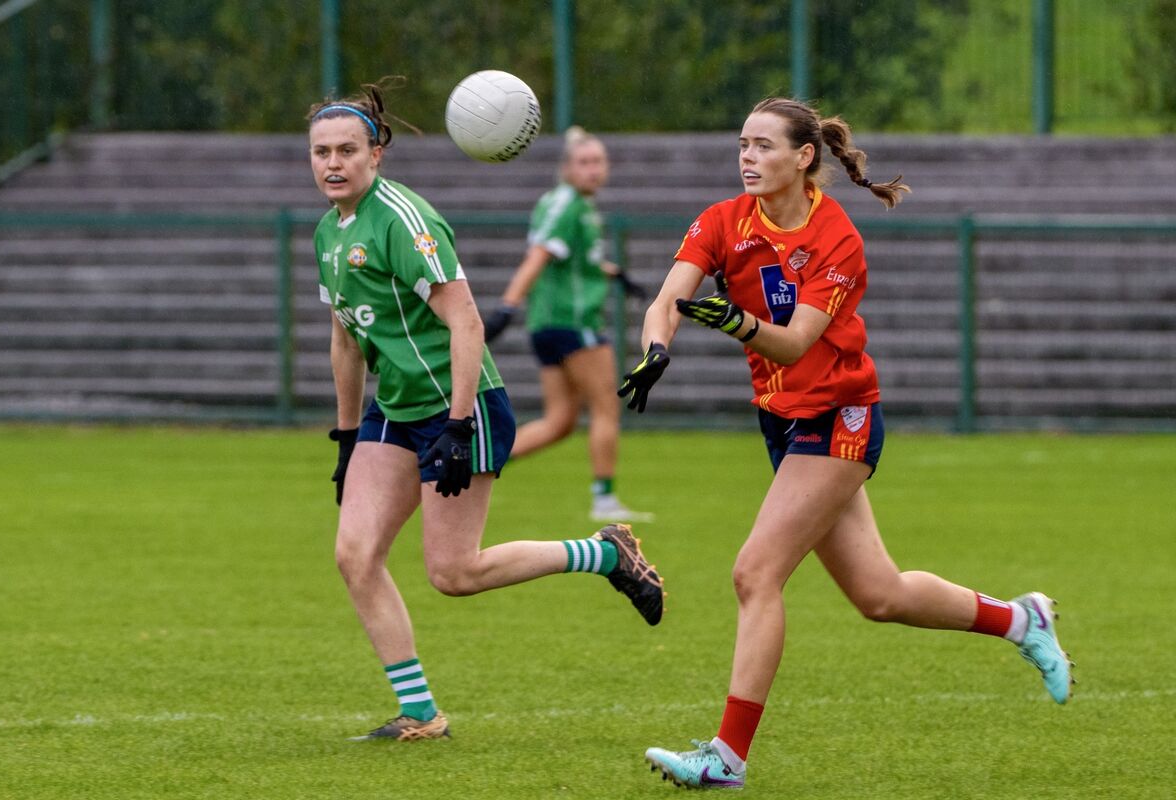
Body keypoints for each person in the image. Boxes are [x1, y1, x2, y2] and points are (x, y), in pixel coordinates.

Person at [617, 97, 1074, 789]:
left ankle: (727, 758)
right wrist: (656, 349)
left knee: (755, 573)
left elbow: (797, 343)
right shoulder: (721, 221)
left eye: (763, 145)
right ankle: (1020, 619)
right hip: (783, 422)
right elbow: (666, 299)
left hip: (839, 418)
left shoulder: (837, 240)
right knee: (879, 594)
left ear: (804, 158)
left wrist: (738, 325)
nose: (746, 157)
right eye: (742, 143)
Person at [308, 80, 666, 742]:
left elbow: (466, 321)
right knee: (355, 555)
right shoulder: (329, 234)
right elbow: (345, 339)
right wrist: (347, 434)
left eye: (347, 151)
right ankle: (421, 715)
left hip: (459, 404)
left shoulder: (405, 222)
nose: (333, 163)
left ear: (375, 155)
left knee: (454, 573)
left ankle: (604, 554)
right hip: (396, 408)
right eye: (322, 152)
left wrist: (458, 422)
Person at [483, 126, 652, 523]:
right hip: (573, 323)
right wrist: (507, 307)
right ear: (566, 169)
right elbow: (539, 256)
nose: (593, 170)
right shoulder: (568, 204)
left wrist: (615, 275)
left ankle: (476, 465)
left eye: (598, 162)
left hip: (550, 324)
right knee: (607, 407)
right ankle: (605, 499)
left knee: (559, 422)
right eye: (584, 163)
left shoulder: (573, 204)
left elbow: (575, 261)